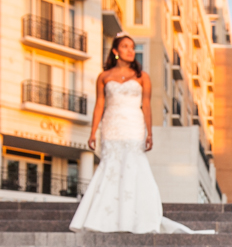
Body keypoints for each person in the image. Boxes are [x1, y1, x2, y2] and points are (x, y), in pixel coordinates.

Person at [70, 33, 209, 234]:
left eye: (133, 47)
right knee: (110, 167)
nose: (130, 50)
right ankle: (105, 218)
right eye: (125, 47)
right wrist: (93, 132)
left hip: (134, 125)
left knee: (133, 166)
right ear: (116, 51)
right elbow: (100, 105)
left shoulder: (142, 77)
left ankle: (135, 217)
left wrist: (149, 133)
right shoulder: (104, 77)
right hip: (111, 125)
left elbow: (146, 105)